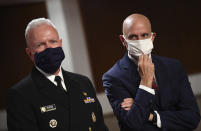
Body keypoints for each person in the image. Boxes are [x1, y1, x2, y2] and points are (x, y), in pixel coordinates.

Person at [6, 18, 108, 131]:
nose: (48, 48)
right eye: (40, 45)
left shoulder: (83, 82)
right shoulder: (20, 95)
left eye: (53, 42)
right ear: (29, 53)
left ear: (60, 43)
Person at [102, 14, 200, 131]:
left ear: (152, 37)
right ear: (123, 40)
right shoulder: (113, 77)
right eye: (133, 37)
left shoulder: (173, 67)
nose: (139, 41)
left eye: (144, 35)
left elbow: (192, 117)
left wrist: (151, 116)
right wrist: (145, 82)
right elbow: (133, 124)